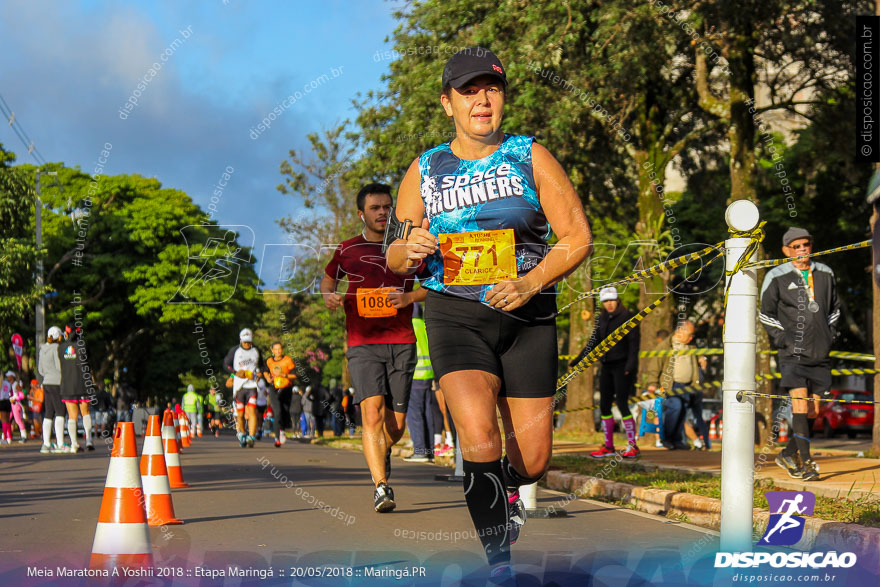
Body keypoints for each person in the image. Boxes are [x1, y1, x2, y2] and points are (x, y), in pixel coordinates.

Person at [385, 47, 592, 576]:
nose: (482, 100)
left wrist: (530, 282)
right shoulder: (426, 169)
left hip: (528, 316)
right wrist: (407, 251)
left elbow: (577, 237)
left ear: (502, 98)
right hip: (455, 313)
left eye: (492, 89)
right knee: (478, 437)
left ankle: (507, 489)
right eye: (468, 91)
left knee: (535, 459)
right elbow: (393, 251)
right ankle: (498, 563)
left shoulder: (530, 155)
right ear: (447, 102)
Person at [322, 181, 428, 513]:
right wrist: (329, 294)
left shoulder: (407, 247)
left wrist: (409, 296)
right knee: (371, 414)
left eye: (386, 207)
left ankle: (381, 453)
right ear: (361, 214)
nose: (382, 212)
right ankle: (381, 486)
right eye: (374, 208)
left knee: (395, 426)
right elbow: (328, 279)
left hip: (401, 342)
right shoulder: (347, 249)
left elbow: (434, 284)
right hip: (362, 344)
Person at [760, 227, 839, 482]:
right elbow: (765, 314)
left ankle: (787, 454)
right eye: (796, 246)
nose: (802, 249)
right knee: (800, 405)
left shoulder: (825, 273)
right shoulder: (776, 276)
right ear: (786, 251)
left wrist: (831, 334)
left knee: (813, 412)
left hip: (820, 352)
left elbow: (835, 309)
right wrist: (783, 339)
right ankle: (807, 464)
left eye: (806, 244)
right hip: (791, 354)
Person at [569, 286, 640, 459]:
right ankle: (608, 446)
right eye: (605, 301)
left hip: (623, 367)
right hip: (607, 366)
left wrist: (630, 367)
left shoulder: (628, 318)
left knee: (622, 404)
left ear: (617, 301)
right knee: (604, 406)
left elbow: (634, 345)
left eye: (612, 301)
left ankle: (633, 445)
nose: (609, 304)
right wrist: (578, 360)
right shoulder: (602, 320)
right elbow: (593, 343)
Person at [644, 320, 702, 450]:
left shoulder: (691, 346)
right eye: (690, 334)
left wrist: (702, 359)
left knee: (682, 412)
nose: (692, 338)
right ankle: (666, 438)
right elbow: (654, 365)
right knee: (675, 406)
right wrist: (652, 383)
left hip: (687, 385)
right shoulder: (665, 346)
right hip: (670, 385)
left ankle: (677, 440)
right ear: (680, 331)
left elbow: (697, 359)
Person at [404, 302, 436, 462]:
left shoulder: (408, 326)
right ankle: (429, 450)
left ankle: (420, 450)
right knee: (427, 413)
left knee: (415, 414)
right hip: (428, 374)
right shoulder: (424, 325)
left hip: (414, 375)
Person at [58, 325, 96, 452]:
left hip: (68, 385)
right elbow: (89, 360)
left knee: (72, 416)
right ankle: (89, 440)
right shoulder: (83, 346)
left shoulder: (61, 348)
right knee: (86, 413)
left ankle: (74, 444)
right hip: (83, 383)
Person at [224, 328, 262, 448]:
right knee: (239, 414)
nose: (247, 344)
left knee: (252, 412)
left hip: (251, 385)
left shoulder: (256, 351)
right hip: (239, 386)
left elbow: (263, 366)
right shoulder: (235, 351)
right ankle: (242, 434)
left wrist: (261, 373)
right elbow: (225, 365)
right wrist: (235, 373)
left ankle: (251, 437)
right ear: (241, 340)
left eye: (249, 341)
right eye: (245, 342)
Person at [38, 326, 66, 453]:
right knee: (60, 412)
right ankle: (60, 443)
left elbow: (40, 370)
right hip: (57, 382)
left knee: (48, 413)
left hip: (46, 382)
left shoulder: (42, 349)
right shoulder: (57, 348)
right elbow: (59, 366)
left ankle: (46, 444)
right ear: (58, 336)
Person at [264, 342, 297, 447]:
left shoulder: (288, 360)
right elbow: (264, 371)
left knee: (284, 410)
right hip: (274, 389)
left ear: (282, 350)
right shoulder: (269, 361)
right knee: (277, 411)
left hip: (286, 388)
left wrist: (283, 375)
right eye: (275, 349)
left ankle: (282, 430)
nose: (278, 351)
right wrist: (268, 378)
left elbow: (294, 375)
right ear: (272, 350)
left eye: (279, 349)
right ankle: (277, 438)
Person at [1, 372, 16, 444]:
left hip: (1, 402)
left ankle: (5, 438)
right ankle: (9, 437)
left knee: (3, 420)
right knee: (8, 420)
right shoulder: (8, 383)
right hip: (7, 401)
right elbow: (12, 393)